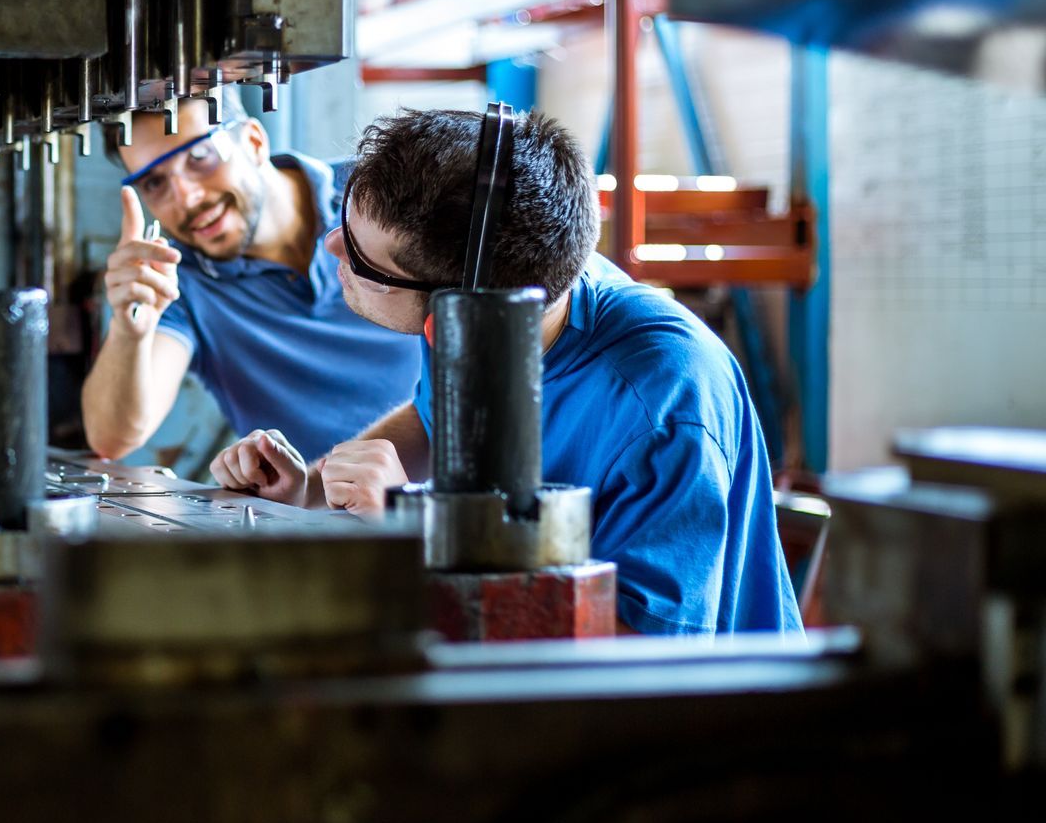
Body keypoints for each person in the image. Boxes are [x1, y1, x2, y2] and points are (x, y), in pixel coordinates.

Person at [209, 107, 800, 635]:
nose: (333, 245)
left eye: (363, 256)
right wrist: (308, 491)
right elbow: (436, 421)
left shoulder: (662, 405)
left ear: (462, 302)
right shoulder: (509, 295)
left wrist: (420, 531)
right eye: (345, 220)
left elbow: (633, 654)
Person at [81, 88, 422, 463]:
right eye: (155, 183)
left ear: (254, 142)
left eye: (200, 157)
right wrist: (130, 330)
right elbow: (113, 438)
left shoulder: (374, 193)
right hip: (315, 514)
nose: (187, 198)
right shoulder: (180, 282)